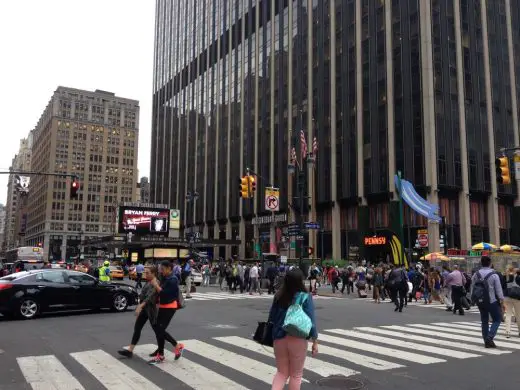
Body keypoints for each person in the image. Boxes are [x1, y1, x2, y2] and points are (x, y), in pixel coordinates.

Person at [268, 268, 318, 390]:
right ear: (300, 281)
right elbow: (310, 321)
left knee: (281, 373)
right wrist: (315, 340)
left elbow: (271, 317)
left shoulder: (279, 295)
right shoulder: (305, 297)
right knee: (296, 375)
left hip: (279, 338)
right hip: (298, 338)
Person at [118, 266, 159, 358]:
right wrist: (140, 306)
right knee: (137, 328)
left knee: (158, 331)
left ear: (154, 274)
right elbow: (144, 296)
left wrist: (140, 306)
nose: (145, 274)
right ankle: (130, 350)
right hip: (144, 309)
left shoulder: (155, 282)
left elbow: (149, 297)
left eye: (148, 273)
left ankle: (166, 347)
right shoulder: (148, 282)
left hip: (151, 310)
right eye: (145, 272)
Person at [148, 260, 185, 363]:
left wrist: (156, 285)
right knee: (159, 331)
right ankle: (161, 354)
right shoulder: (166, 278)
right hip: (163, 306)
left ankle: (177, 346)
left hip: (169, 307)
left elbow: (165, 294)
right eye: (160, 269)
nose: (161, 271)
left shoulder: (173, 279)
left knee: (160, 330)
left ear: (169, 268)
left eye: (163, 269)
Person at [470, 255, 505, 348]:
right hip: (492, 300)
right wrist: (502, 300)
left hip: (480, 301)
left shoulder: (476, 274)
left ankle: (486, 341)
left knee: (484, 320)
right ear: (490, 263)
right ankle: (489, 337)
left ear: (481, 263)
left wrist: (472, 299)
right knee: (497, 319)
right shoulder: (494, 275)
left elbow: (472, 287)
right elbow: (498, 290)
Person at [503, 267, 520, 338]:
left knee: (508, 314)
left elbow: (502, 287)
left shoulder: (505, 277)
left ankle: (507, 332)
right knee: (518, 315)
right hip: (517, 298)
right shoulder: (518, 277)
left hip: (507, 297)